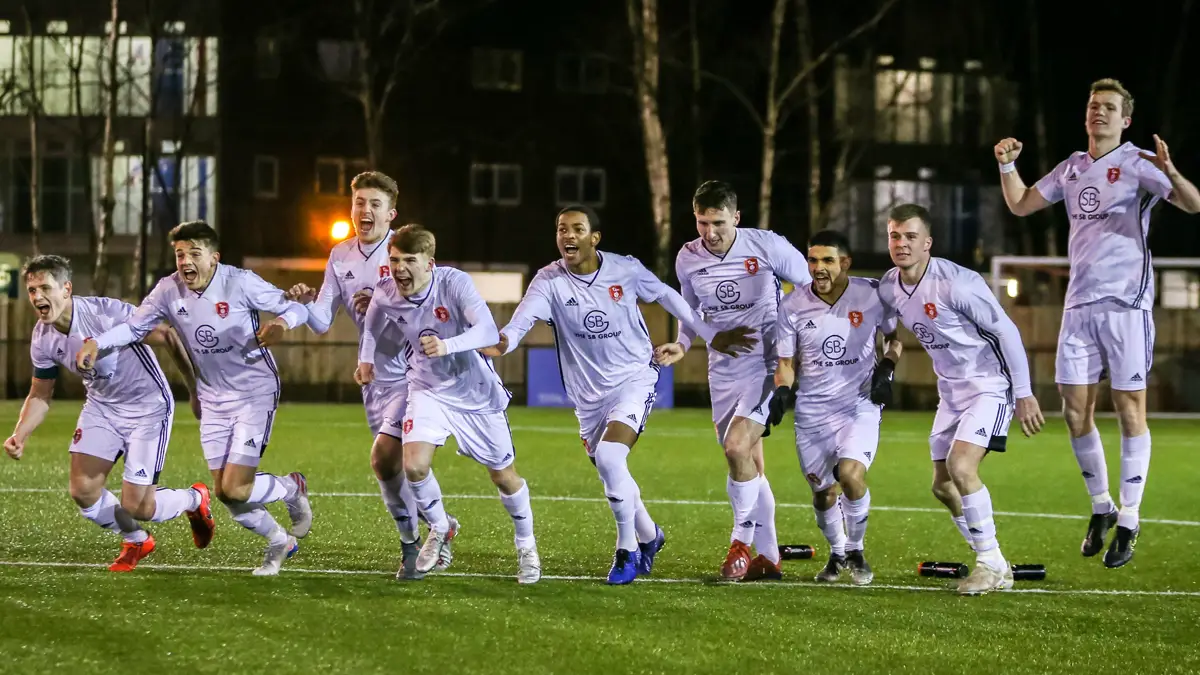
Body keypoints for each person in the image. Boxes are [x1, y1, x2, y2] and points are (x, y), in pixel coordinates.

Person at [483, 204, 755, 585]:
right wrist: (498, 343)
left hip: (634, 378)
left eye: (577, 229)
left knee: (611, 457)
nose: (567, 236)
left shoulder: (624, 269)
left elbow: (668, 296)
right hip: (587, 397)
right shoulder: (549, 281)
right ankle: (650, 535)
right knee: (612, 471)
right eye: (562, 229)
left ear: (595, 238)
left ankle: (626, 550)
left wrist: (708, 337)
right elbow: (520, 323)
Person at [994, 78, 1200, 567]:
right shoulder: (1072, 167)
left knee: (1130, 409)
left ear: (1125, 119)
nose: (1099, 112)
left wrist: (1171, 171)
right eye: (1093, 106)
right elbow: (1021, 203)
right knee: (1074, 410)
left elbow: (1193, 204)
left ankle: (1130, 518)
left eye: (1109, 107)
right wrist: (1007, 164)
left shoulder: (1137, 165)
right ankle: (1102, 507)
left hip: (1126, 306)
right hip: (1078, 307)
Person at [76, 221, 314, 576]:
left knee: (236, 486)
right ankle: (280, 540)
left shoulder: (239, 282)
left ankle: (291, 487)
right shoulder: (168, 290)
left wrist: (282, 324)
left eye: (194, 253)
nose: (185, 261)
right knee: (225, 493)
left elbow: (294, 307)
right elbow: (136, 326)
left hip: (254, 392)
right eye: (179, 254)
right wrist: (99, 341)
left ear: (214, 258)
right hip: (213, 397)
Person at [286, 171, 458, 580]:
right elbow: (322, 323)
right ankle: (430, 532)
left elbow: (431, 311)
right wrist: (303, 303)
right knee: (391, 468)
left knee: (383, 457)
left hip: (415, 372)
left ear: (391, 213)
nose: (365, 210)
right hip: (375, 379)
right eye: (359, 202)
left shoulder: (404, 253)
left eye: (374, 204)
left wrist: (387, 302)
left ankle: (420, 542)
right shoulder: (340, 255)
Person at [358, 224, 540, 584]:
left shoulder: (453, 283)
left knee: (504, 477)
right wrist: (366, 360)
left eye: (410, 260)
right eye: (394, 260)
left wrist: (447, 345)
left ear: (430, 264)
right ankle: (440, 528)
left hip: (474, 393)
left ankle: (527, 546)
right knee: (413, 467)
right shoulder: (386, 291)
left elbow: (488, 332)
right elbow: (372, 326)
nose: (399, 269)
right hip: (426, 388)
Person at [877, 204, 1045, 595]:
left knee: (961, 466)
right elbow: (886, 326)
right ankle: (997, 562)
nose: (901, 244)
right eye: (895, 236)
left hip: (989, 385)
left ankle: (987, 563)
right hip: (950, 391)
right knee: (942, 486)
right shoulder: (890, 285)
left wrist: (1024, 394)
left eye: (910, 237)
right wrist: (885, 363)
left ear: (928, 243)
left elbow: (1007, 333)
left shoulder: (958, 283)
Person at [6, 254, 213, 572]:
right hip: (102, 407)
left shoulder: (108, 314)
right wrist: (20, 433)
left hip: (148, 407)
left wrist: (194, 390)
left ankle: (194, 500)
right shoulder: (42, 337)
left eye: (44, 288)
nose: (37, 297)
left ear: (66, 289)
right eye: (31, 290)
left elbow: (169, 336)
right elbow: (40, 394)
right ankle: (137, 539)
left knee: (139, 505)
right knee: (84, 491)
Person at [654, 180, 812, 581]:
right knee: (749, 463)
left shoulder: (766, 246)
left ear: (737, 218)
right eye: (702, 223)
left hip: (767, 365)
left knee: (736, 446)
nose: (710, 232)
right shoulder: (688, 258)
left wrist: (793, 342)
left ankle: (740, 545)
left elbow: (812, 287)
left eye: (719, 223)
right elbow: (690, 309)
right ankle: (770, 557)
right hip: (722, 371)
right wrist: (682, 343)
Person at [770, 230, 902, 586]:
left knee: (850, 475)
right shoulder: (792, 305)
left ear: (845, 263)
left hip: (858, 404)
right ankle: (837, 552)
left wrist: (887, 369)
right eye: (812, 260)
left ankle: (856, 549)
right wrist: (782, 393)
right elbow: (786, 362)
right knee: (823, 492)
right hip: (812, 411)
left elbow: (893, 338)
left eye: (827, 260)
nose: (818, 268)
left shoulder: (871, 294)